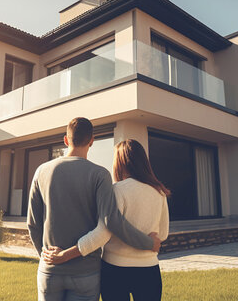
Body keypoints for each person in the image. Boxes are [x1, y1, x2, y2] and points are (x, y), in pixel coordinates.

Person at [27, 118, 161, 301]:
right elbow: (110, 221)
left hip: (50, 271)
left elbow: (33, 224)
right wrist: (148, 243)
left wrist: (45, 256)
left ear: (66, 140)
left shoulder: (41, 171)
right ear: (92, 141)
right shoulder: (100, 174)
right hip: (86, 272)